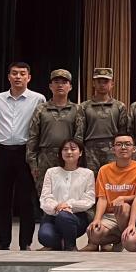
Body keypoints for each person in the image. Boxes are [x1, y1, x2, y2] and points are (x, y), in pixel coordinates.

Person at [0, 61, 44, 250]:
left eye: (22, 73)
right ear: (8, 77)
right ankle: (3, 241)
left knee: (26, 199)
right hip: (2, 151)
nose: (18, 77)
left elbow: (40, 126)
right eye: (14, 73)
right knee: (1, 198)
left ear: (29, 77)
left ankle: (25, 242)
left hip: (25, 151)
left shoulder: (38, 99)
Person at [83, 132, 136, 251]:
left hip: (133, 214)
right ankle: (120, 238)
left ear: (134, 149)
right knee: (93, 233)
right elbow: (102, 198)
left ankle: (124, 241)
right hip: (110, 216)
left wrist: (123, 198)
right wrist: (97, 219)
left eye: (127, 144)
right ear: (113, 149)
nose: (123, 147)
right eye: (119, 144)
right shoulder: (104, 170)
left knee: (123, 207)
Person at [27, 69, 85, 199]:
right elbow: (33, 137)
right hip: (45, 158)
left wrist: (75, 159)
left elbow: (79, 137)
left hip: (68, 157)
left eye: (64, 82)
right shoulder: (41, 109)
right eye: (56, 82)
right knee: (45, 195)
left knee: (69, 194)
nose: (60, 85)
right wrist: (33, 163)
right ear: (50, 86)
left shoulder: (77, 109)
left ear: (70, 87)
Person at [37, 139, 95, 251]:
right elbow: (45, 197)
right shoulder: (51, 172)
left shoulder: (88, 174)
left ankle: (70, 246)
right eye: (65, 149)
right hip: (53, 215)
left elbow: (89, 199)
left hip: (76, 218)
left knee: (64, 216)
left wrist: (68, 205)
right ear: (60, 153)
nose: (69, 152)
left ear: (80, 153)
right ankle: (60, 243)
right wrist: (57, 206)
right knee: (45, 236)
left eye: (73, 149)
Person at [78, 67, 129, 173]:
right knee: (91, 179)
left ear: (112, 84)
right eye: (99, 82)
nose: (102, 85)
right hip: (90, 149)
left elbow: (123, 132)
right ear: (93, 83)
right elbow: (80, 133)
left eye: (105, 82)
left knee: (113, 177)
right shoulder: (84, 106)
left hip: (112, 149)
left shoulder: (120, 106)